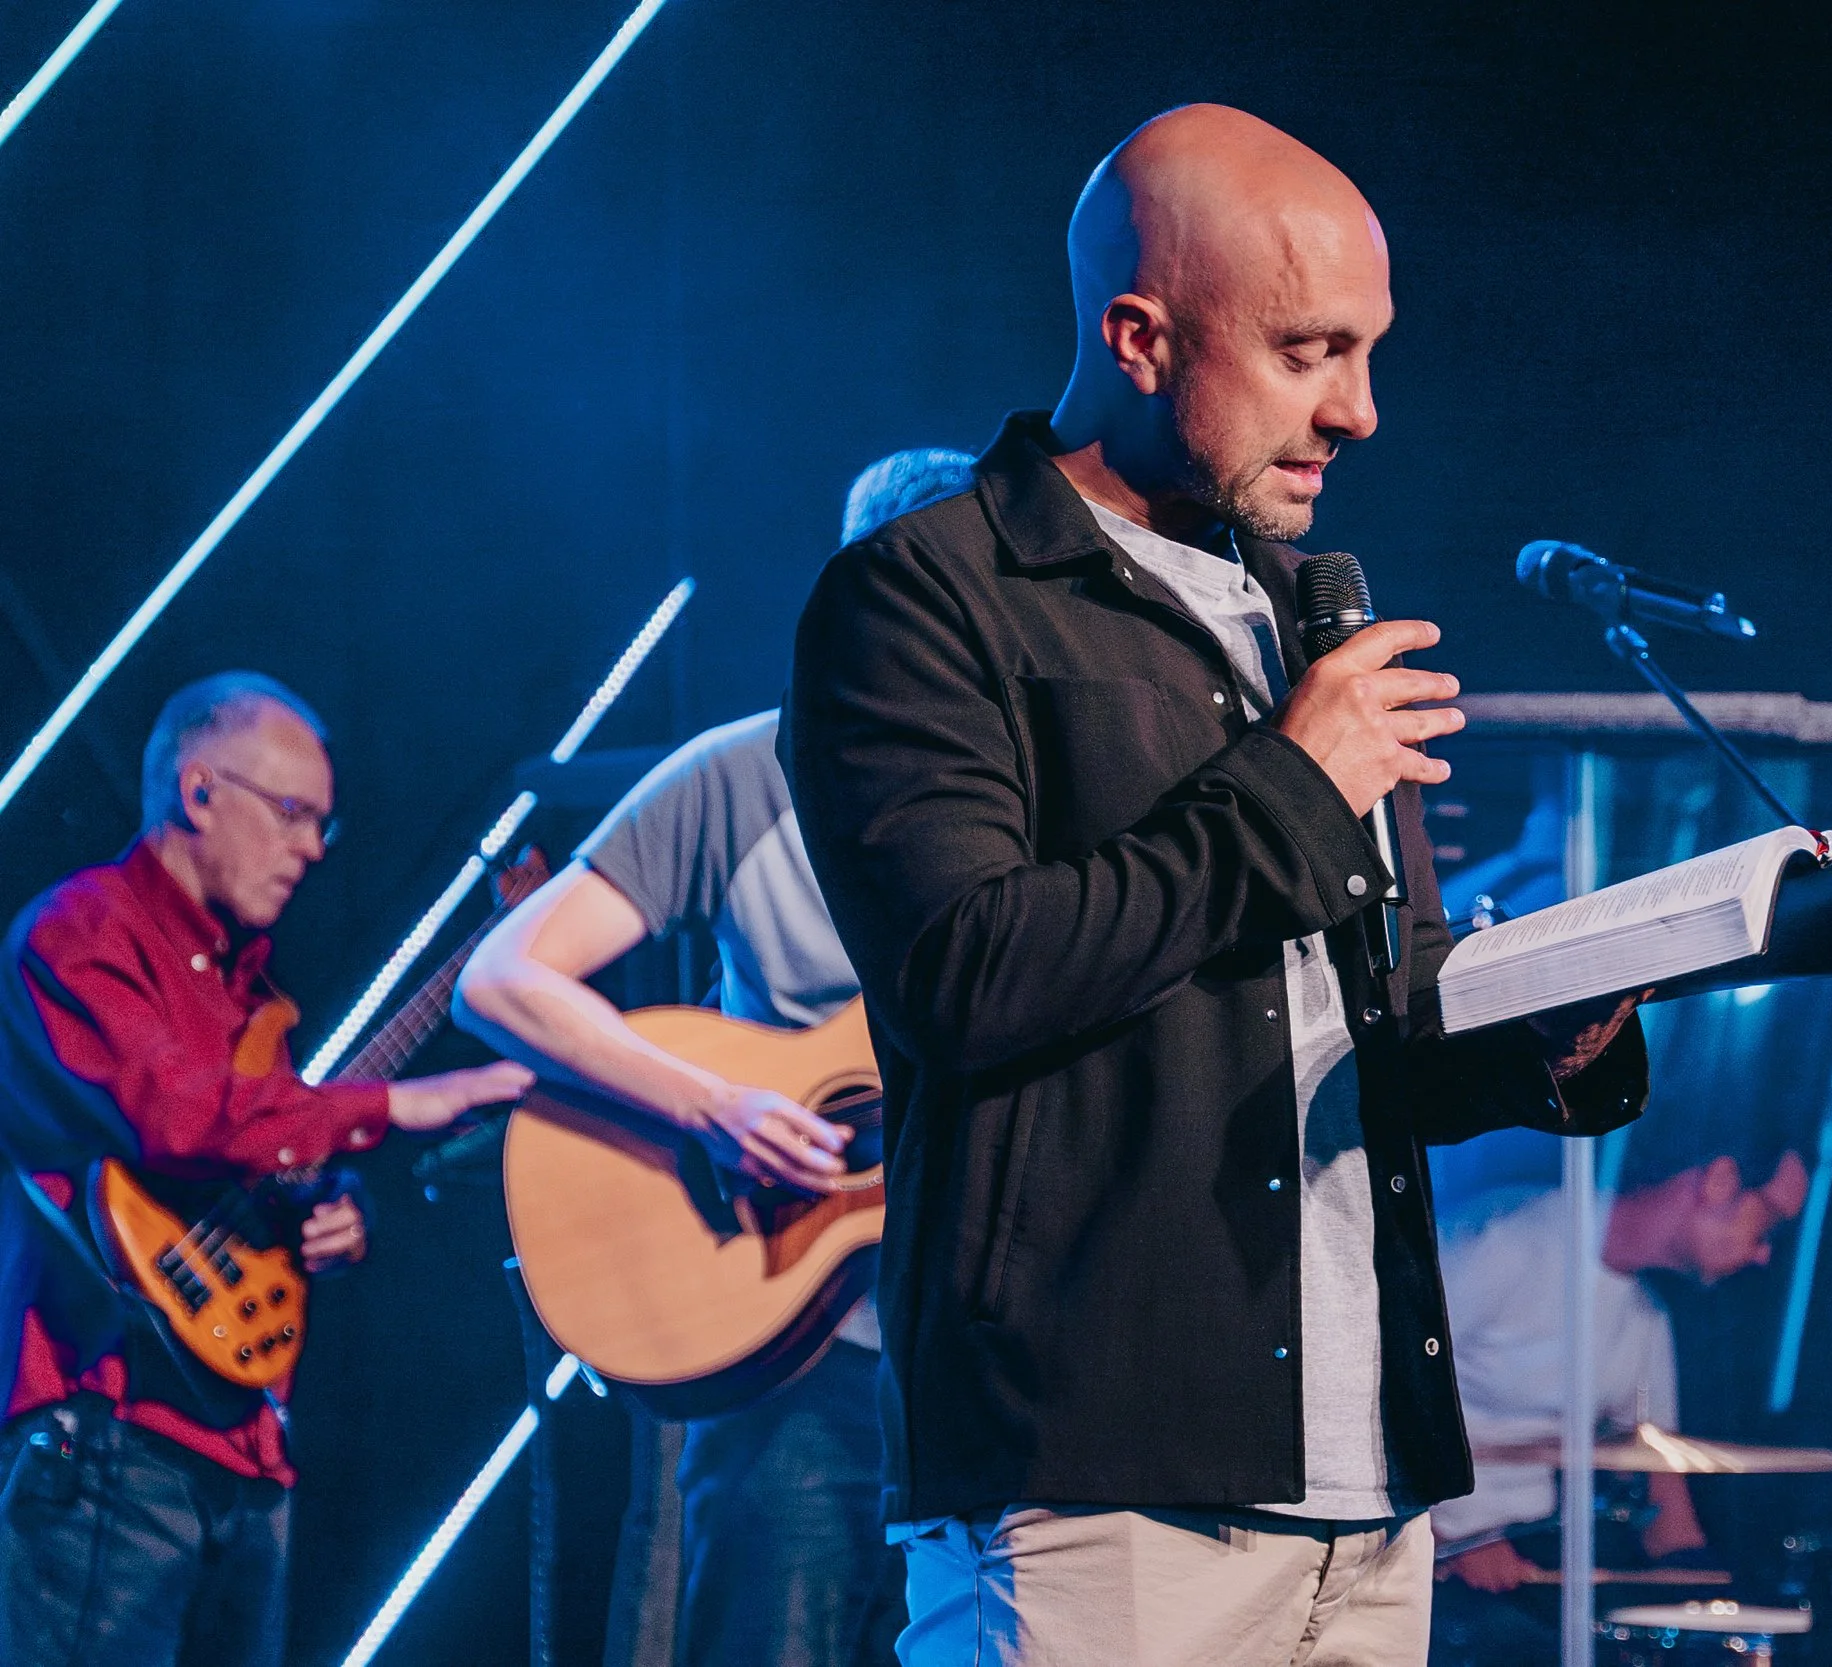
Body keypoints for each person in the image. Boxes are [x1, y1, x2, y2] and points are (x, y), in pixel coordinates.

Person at [782, 105, 1654, 1667]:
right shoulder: (921, 597)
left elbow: (1353, 1033)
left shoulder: (1300, 619)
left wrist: (1546, 1034)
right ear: (1139, 336)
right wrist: (1297, 786)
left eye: (1371, 352)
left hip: (1368, 1475)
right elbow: (963, 977)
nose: (1364, 410)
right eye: (1312, 351)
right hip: (1097, 1482)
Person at [454, 447, 977, 1667]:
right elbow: (502, 975)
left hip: (997, 1358)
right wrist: (716, 1105)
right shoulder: (741, 776)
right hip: (797, 1358)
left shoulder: (1055, 799)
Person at [0, 673, 532, 1667]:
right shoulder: (81, 935)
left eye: (323, 825)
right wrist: (394, 1104)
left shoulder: (255, 999)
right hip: (110, 1424)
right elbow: (176, 1115)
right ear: (199, 793)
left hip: (246, 1443)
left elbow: (256, 1148)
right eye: (292, 815)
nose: (312, 849)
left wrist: (334, 1202)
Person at [1426, 1150, 1810, 1665]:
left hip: (1529, 1558)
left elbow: (1662, 1496)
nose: (1765, 1253)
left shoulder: (1646, 1318)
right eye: (1770, 1222)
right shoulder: (1509, 1240)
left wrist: (1718, 1602)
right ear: (1719, 1180)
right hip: (1420, 1558)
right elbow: (1366, 1382)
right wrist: (1442, 1537)